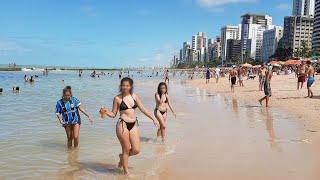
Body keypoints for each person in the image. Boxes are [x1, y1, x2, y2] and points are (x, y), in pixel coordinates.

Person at [99, 77, 158, 176]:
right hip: (122, 125)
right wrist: (105, 112)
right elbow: (113, 114)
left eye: (127, 85)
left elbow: (143, 109)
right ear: (120, 86)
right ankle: (126, 173)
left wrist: (153, 119)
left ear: (131, 86)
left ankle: (122, 157)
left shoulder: (135, 96)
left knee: (136, 150)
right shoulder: (117, 98)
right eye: (123, 85)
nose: (125, 87)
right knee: (126, 149)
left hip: (134, 124)